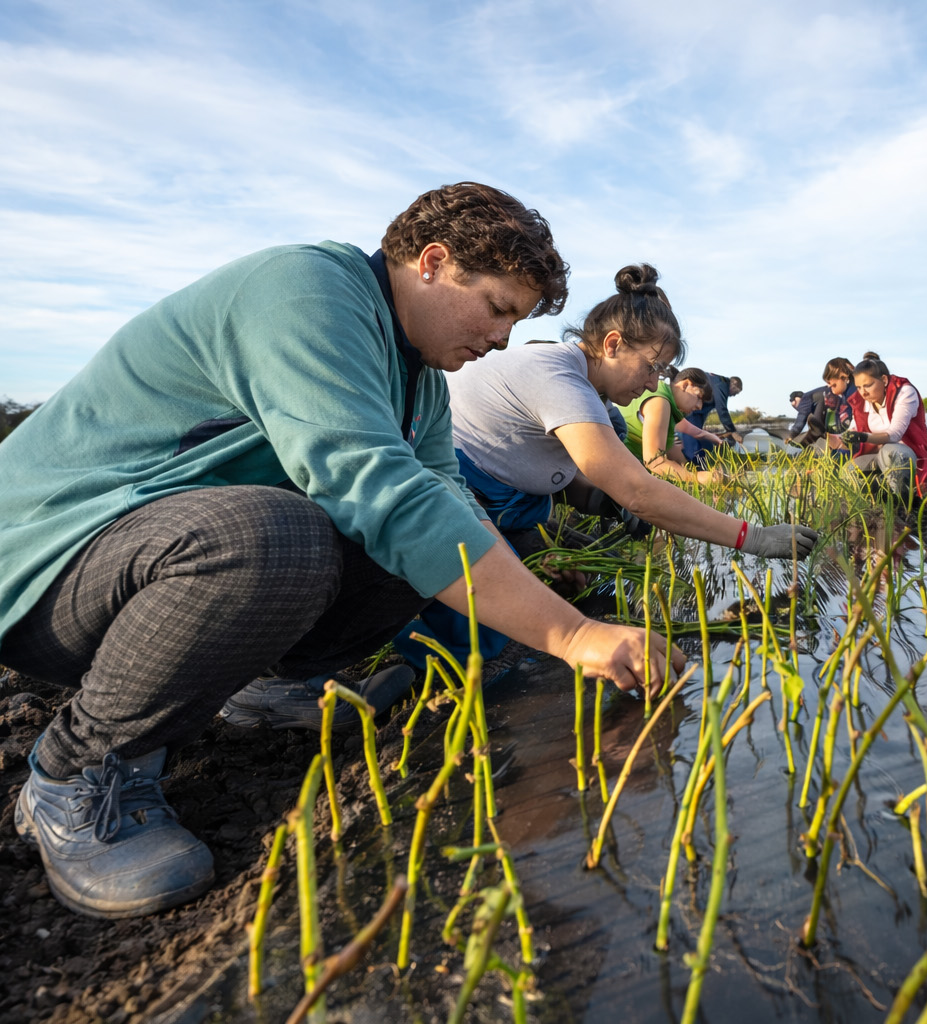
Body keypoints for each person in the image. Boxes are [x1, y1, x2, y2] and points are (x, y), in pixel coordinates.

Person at [0, 182, 687, 919]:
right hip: (49, 565)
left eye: (514, 324)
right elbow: (376, 489)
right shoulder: (305, 291)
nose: (499, 341)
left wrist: (531, 644)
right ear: (431, 262)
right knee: (277, 537)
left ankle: (250, 685)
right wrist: (574, 634)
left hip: (152, 564)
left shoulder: (418, 381)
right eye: (496, 309)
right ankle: (79, 768)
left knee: (433, 541)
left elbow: (446, 508)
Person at [398, 265, 818, 669]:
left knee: (581, 577)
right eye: (652, 367)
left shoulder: (592, 394)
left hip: (512, 505)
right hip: (458, 499)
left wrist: (602, 502)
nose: (653, 384)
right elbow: (639, 489)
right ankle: (411, 669)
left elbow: (551, 471)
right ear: (613, 344)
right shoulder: (559, 378)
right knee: (489, 630)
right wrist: (754, 536)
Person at [840, 353, 927, 498]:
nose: (863, 392)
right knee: (848, 470)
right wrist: (843, 439)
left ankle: (904, 501)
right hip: (877, 454)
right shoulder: (862, 402)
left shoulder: (904, 393)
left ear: (884, 380)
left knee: (892, 452)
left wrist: (863, 437)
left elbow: (894, 434)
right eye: (858, 387)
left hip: (907, 452)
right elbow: (853, 428)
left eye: (868, 385)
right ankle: (877, 497)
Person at [620, 368, 724, 484]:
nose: (699, 407)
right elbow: (655, 462)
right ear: (685, 385)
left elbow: (676, 443)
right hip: (621, 469)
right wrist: (698, 478)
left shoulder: (668, 402)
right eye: (699, 397)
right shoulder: (660, 402)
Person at [789, 357, 856, 447]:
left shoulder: (853, 394)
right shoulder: (840, 392)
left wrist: (792, 434)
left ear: (844, 377)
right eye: (828, 383)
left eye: (833, 384)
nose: (829, 386)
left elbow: (801, 417)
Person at [681, 371, 742, 463]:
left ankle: (701, 461)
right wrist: (732, 431)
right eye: (736, 392)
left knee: (700, 438)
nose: (734, 395)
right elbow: (721, 409)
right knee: (691, 437)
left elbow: (705, 410)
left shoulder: (717, 382)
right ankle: (696, 465)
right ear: (733, 384)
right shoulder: (722, 384)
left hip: (696, 410)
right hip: (691, 407)